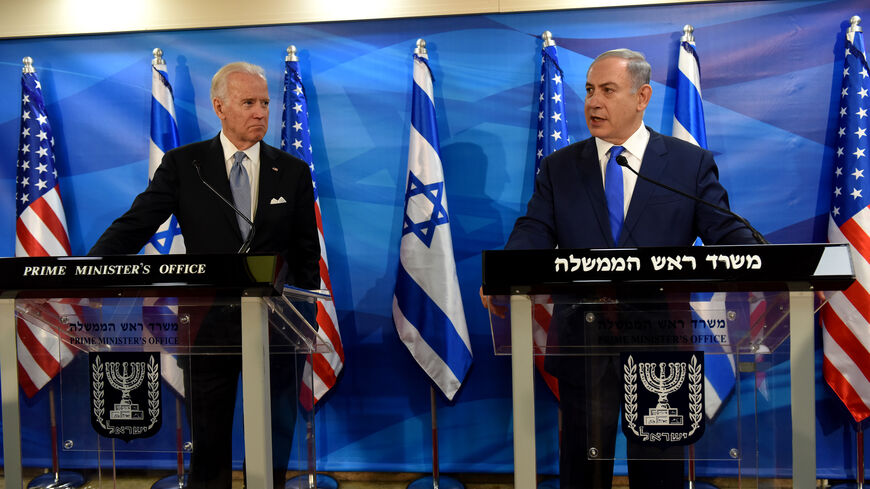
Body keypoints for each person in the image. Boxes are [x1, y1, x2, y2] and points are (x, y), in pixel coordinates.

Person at [483, 49, 758, 488]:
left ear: (642, 96)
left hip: (661, 346)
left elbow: (727, 232)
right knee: (583, 474)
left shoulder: (688, 165)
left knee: (658, 477)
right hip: (584, 346)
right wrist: (504, 276)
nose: (594, 102)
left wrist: (785, 274)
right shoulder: (560, 168)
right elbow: (534, 229)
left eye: (608, 91)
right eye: (590, 90)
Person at [89, 61, 319, 489]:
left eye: (265, 102)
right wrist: (92, 271)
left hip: (277, 328)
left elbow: (307, 253)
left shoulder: (291, 171)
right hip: (208, 326)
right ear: (219, 107)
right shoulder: (185, 165)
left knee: (273, 436)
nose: (261, 112)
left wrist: (304, 319)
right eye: (248, 102)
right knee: (209, 441)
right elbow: (136, 223)